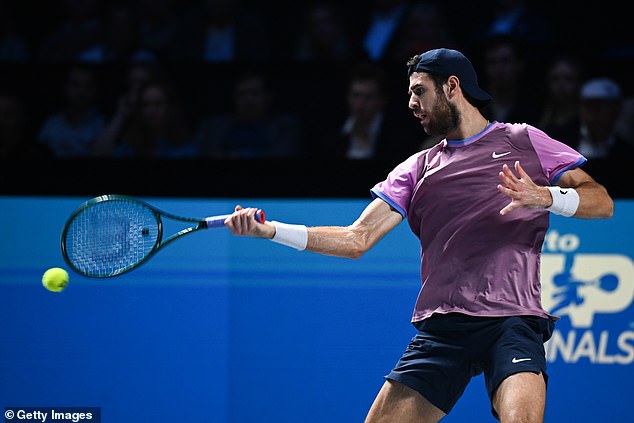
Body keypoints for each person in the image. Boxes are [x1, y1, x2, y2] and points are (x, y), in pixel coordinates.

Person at [223, 48, 614, 422]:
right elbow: (356, 239)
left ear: (452, 87)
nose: (410, 103)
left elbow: (601, 201)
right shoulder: (416, 169)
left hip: (513, 320)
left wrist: (546, 196)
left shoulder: (523, 140)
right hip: (444, 328)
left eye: (418, 91)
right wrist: (271, 230)